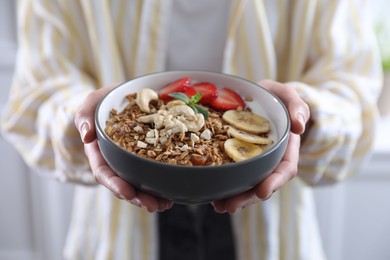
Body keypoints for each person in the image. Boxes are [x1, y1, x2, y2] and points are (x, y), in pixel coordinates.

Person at [1, 0, 382, 259]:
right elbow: (34, 98)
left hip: (270, 225)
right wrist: (85, 119)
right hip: (120, 227)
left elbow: (353, 91)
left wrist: (303, 118)